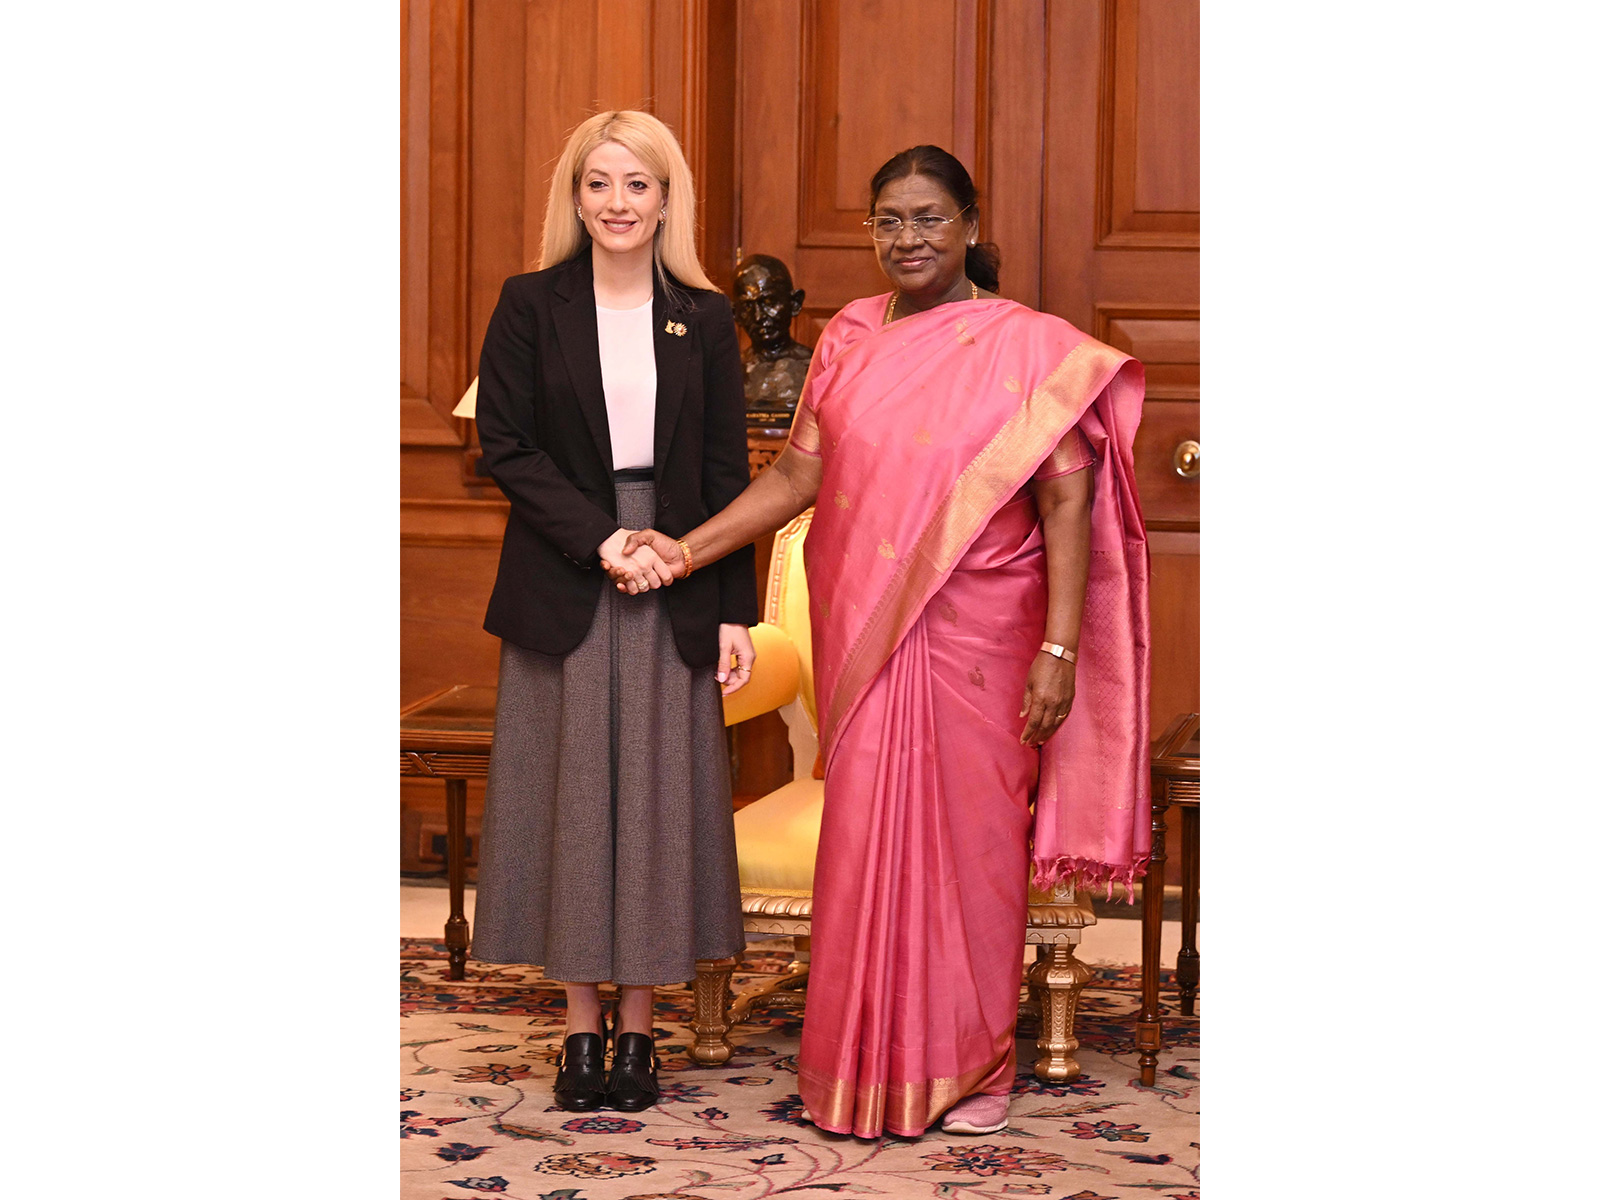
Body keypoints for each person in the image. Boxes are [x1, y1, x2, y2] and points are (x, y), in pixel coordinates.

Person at [612, 145, 1151, 1138]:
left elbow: (1068, 498)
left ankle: (971, 1069)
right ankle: (857, 1071)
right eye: (889, 220)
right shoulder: (851, 337)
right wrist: (681, 552)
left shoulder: (1028, 346)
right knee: (864, 852)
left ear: (970, 223)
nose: (908, 239)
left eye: (929, 217)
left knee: (973, 855)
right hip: (864, 637)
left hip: (984, 642)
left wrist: (1061, 650)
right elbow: (794, 482)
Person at [468, 110, 759, 1116]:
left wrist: (731, 611)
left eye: (638, 185)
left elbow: (728, 471)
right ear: (575, 196)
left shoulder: (706, 316)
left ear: (666, 199)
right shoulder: (527, 303)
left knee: (653, 803)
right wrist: (601, 540)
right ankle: (580, 1030)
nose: (618, 203)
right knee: (573, 801)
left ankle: (640, 1032)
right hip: (570, 569)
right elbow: (504, 446)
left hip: (679, 569)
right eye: (600, 183)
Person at [731, 253, 813, 414]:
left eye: (769, 303)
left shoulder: (816, 369)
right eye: (748, 306)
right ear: (736, 314)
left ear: (794, 303)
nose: (759, 316)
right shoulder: (727, 372)